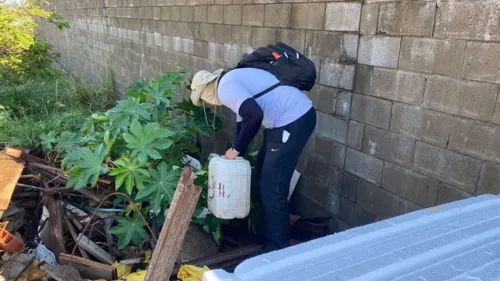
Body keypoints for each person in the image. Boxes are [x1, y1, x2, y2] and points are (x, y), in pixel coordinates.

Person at [190, 66, 317, 253]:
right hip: (285, 121)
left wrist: (235, 149)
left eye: (204, 100)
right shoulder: (231, 80)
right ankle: (271, 234)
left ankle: (277, 247)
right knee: (264, 173)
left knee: (273, 186)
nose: (209, 104)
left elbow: (254, 116)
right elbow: (243, 122)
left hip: (293, 119)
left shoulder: (226, 88)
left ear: (207, 91)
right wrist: (236, 150)